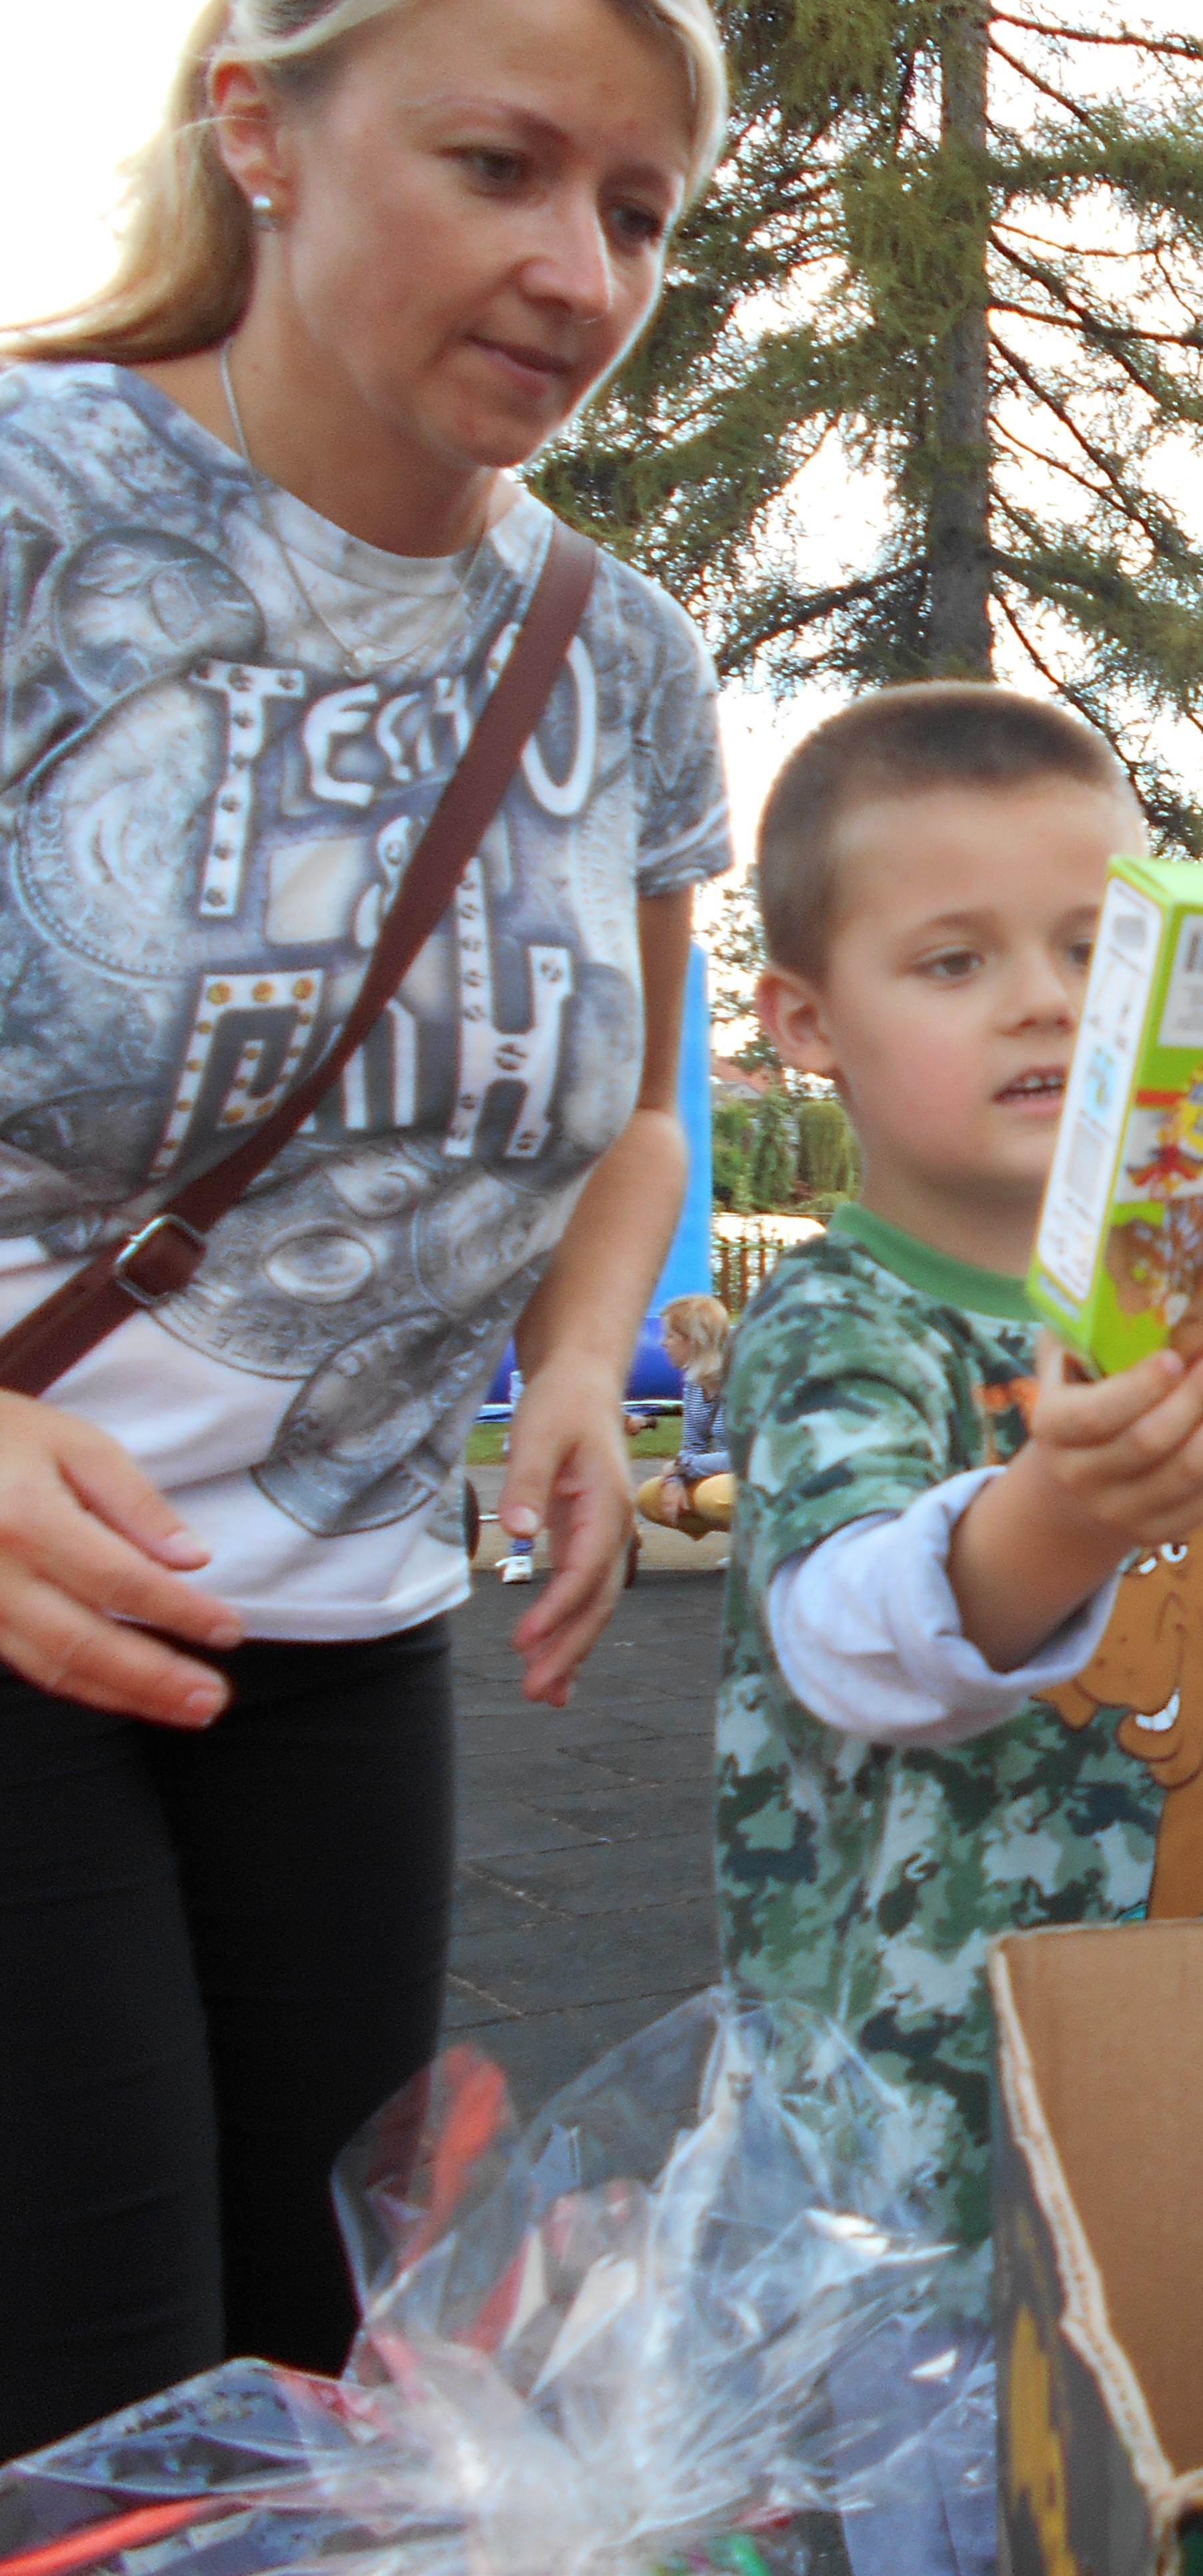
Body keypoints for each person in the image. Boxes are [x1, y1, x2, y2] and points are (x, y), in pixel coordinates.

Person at [0, 0, 733, 2447]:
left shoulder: (620, 652)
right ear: (263, 129)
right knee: (90, 2402)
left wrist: (576, 1368)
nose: (580, 273)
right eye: (499, 167)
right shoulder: (35, 500)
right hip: (20, 1597)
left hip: (342, 1627)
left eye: (635, 211)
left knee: (312, 2383)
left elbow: (637, 1114)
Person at [714, 684, 1203, 2265]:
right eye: (955, 962)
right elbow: (843, 1635)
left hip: (1180, 2055)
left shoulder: (1156, 1301)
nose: (1046, 1004)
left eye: (1094, 950)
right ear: (805, 1023)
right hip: (919, 2137)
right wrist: (1059, 1519)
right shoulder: (840, 1321)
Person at [638, 1291, 735, 1536]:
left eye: (669, 1336)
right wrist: (675, 1480)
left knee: (712, 1496)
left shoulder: (745, 1380)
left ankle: (764, 1550)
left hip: (767, 1479)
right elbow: (692, 1446)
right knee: (650, 1497)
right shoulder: (694, 1382)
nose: (663, 1344)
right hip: (724, 1473)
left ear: (693, 1340)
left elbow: (746, 1458)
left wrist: (682, 1466)